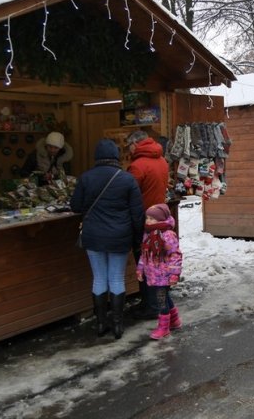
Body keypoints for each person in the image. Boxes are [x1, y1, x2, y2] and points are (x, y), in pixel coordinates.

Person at [70, 139, 144, 340]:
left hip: (93, 236)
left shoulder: (85, 178)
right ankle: (118, 325)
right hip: (119, 236)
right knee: (117, 278)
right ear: (115, 157)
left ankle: (101, 323)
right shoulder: (127, 179)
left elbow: (76, 206)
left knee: (99, 278)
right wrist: (137, 238)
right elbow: (137, 214)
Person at [126, 130, 170, 320]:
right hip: (159, 218)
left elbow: (128, 195)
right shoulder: (162, 161)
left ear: (135, 144)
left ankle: (150, 306)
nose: (128, 149)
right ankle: (159, 303)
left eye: (128, 146)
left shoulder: (137, 166)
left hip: (144, 220)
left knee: (144, 264)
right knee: (157, 262)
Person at [136, 203, 183, 340]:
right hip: (152, 274)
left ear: (161, 219)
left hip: (164, 274)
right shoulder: (148, 235)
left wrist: (174, 274)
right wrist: (140, 269)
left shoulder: (168, 235)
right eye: (147, 218)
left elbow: (175, 255)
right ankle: (174, 321)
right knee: (165, 297)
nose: (148, 221)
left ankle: (164, 328)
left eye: (152, 218)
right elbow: (144, 254)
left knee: (161, 300)